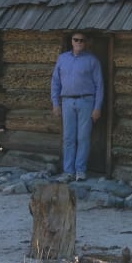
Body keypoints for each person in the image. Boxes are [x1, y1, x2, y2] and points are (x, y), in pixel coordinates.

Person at [51, 32, 104, 182]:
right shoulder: (62, 59)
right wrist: (55, 103)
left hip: (86, 101)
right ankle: (68, 171)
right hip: (67, 102)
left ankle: (80, 171)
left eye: (82, 40)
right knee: (68, 138)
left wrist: (97, 107)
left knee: (83, 137)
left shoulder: (92, 60)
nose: (79, 42)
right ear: (71, 41)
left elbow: (100, 85)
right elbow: (55, 82)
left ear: (86, 42)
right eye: (76, 40)